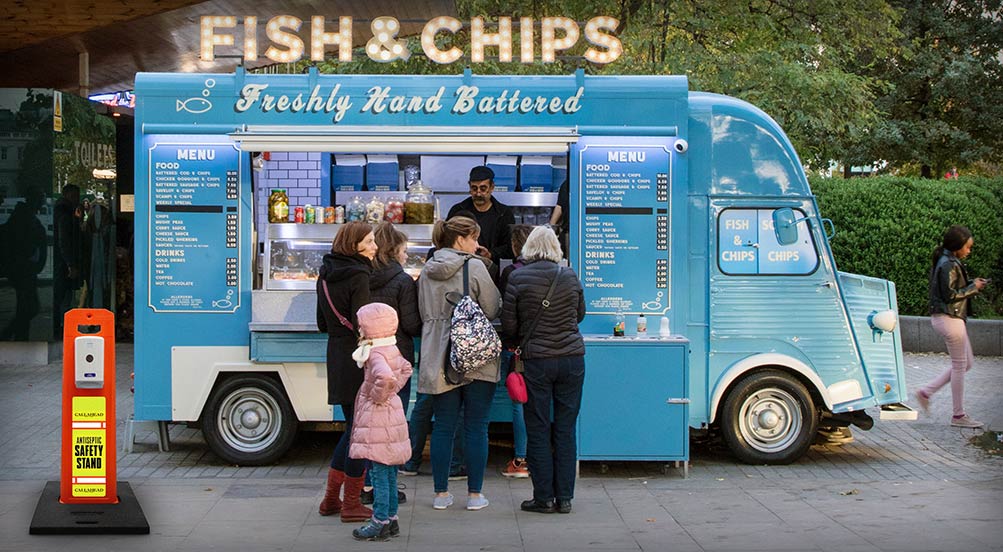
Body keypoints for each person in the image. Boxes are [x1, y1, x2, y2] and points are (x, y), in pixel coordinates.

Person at [417, 216, 502, 511]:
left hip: (437, 354)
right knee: (476, 426)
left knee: (443, 426)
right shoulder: (474, 266)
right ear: (462, 239)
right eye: (474, 239)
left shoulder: (427, 269)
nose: (477, 245)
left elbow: (421, 312)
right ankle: (475, 495)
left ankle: (441, 495)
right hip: (474, 351)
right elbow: (492, 308)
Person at [501, 226, 585, 514]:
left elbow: (509, 325)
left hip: (536, 361)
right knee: (565, 428)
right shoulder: (569, 275)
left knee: (537, 428)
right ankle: (565, 498)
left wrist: (518, 342)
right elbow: (580, 314)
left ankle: (543, 498)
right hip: (572, 359)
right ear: (555, 248)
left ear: (528, 247)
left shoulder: (517, 277)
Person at [317, 221, 377, 522]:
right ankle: (351, 503)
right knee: (359, 432)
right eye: (369, 241)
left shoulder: (325, 274)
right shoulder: (360, 275)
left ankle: (331, 500)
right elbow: (365, 323)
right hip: (358, 358)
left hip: (337, 355)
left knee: (351, 428)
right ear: (355, 246)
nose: (375, 247)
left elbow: (322, 323)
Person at [360, 222, 421, 505]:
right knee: (392, 426)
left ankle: (368, 485)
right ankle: (387, 488)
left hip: (368, 358)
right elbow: (410, 324)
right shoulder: (403, 281)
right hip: (396, 360)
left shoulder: (362, 277)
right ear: (395, 250)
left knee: (368, 424)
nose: (407, 256)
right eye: (404, 250)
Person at [348, 302, 413, 541]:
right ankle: (392, 520)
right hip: (392, 414)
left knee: (378, 474)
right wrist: (394, 391)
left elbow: (385, 378)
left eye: (361, 325)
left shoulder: (375, 353)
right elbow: (405, 369)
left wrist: (378, 395)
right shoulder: (391, 348)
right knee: (389, 473)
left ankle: (379, 521)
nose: (359, 329)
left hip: (378, 417)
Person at [915, 225, 989, 428]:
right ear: (957, 246)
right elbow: (950, 296)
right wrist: (974, 287)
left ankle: (926, 392)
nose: (969, 251)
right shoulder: (948, 263)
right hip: (950, 318)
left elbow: (951, 290)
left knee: (966, 363)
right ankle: (958, 416)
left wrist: (973, 283)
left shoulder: (948, 260)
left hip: (951, 318)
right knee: (960, 365)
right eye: (967, 247)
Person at [497, 224, 534, 478]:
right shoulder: (555, 271)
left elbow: (505, 313)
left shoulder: (511, 272)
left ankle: (521, 459)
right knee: (539, 403)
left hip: (517, 349)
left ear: (514, 246)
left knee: (519, 403)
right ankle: (536, 457)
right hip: (544, 348)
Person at [1, 187, 47, 341]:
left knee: (26, 307)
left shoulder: (24, 217)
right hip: (23, 268)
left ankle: (18, 335)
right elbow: (23, 244)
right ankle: (12, 334)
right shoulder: (24, 219)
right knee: (29, 307)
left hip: (24, 268)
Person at [446, 166, 516, 263]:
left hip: (491, 270)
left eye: (483, 189)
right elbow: (447, 241)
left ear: (492, 187)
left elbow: (511, 247)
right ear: (469, 187)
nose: (478, 194)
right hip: (460, 267)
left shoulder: (504, 214)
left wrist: (490, 254)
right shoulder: (458, 211)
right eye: (474, 188)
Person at [52, 184, 83, 337]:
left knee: (62, 296)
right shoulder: (64, 214)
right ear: (70, 195)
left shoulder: (64, 212)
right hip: (64, 264)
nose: (78, 199)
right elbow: (64, 240)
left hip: (62, 263)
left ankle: (61, 327)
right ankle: (62, 328)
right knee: (63, 297)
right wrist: (71, 264)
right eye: (76, 196)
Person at [548, 179, 570, 258]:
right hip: (570, 230)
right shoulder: (568, 183)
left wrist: (551, 227)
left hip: (570, 231)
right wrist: (551, 227)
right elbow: (560, 206)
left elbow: (559, 206)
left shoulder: (568, 182)